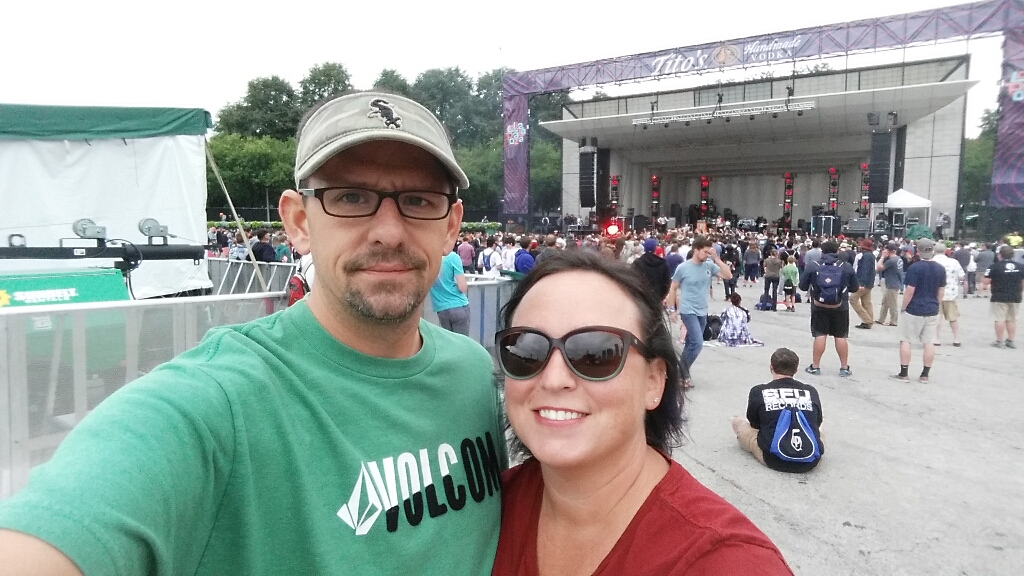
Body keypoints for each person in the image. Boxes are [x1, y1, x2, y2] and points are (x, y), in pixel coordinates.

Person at [0, 92, 505, 574]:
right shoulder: (214, 404)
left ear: (450, 226)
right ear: (299, 222)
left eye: (418, 200)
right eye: (351, 197)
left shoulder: (473, 372)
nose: (389, 231)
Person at [492, 251, 793, 575]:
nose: (553, 380)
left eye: (595, 354)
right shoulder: (483, 511)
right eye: (526, 350)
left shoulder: (729, 563)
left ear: (654, 381)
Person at [731, 348, 823, 473]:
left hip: (774, 459)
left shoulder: (758, 391)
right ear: (796, 370)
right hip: (811, 461)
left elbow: (754, 424)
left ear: (771, 367)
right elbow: (817, 422)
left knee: (738, 422)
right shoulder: (810, 391)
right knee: (819, 429)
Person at [667, 236, 734, 387]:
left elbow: (728, 275)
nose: (707, 255)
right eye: (705, 252)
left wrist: (716, 259)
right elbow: (673, 288)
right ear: (696, 250)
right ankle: (681, 374)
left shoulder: (709, 266)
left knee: (691, 343)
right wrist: (672, 309)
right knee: (697, 343)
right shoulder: (683, 268)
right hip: (687, 310)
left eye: (709, 252)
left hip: (702, 310)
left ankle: (679, 374)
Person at [798, 240, 859, 377]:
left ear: (822, 252)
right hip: (841, 306)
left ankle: (815, 366)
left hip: (818, 306)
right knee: (840, 336)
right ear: (837, 251)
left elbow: (802, 286)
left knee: (820, 334)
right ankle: (844, 367)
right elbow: (854, 288)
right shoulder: (846, 266)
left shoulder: (814, 266)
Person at [891, 239, 945, 383]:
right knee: (928, 342)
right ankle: (925, 375)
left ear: (918, 250)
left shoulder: (915, 268)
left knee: (906, 340)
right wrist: (937, 304)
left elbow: (910, 290)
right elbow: (940, 290)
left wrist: (904, 306)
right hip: (932, 308)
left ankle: (904, 373)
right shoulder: (940, 268)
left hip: (914, 308)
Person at [984, 245, 1024, 348]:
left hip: (999, 296)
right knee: (1011, 319)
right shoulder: (1021, 266)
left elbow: (986, 282)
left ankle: (1000, 341)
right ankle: (1010, 340)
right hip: (1015, 296)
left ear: (1000, 255)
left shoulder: (994, 266)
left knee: (999, 319)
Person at [431, 243, 471, 336]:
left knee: (449, 341)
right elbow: (462, 287)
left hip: (441, 308)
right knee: (462, 342)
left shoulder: (431, 258)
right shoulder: (452, 257)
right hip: (459, 306)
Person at [933, 247, 966, 346]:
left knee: (937, 317)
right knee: (953, 317)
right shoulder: (954, 262)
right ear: (945, 251)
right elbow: (961, 276)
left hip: (934, 293)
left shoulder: (932, 262)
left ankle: (936, 339)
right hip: (950, 293)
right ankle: (956, 339)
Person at [632, 237, 671, 302]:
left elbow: (633, 280)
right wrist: (661, 296)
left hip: (642, 297)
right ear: (655, 249)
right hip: (657, 297)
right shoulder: (663, 264)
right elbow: (667, 283)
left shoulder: (637, 263)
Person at [850, 238, 877, 329]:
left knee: (853, 299)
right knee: (866, 302)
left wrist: (861, 283)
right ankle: (869, 322)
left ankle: (867, 320)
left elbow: (864, 270)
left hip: (863, 283)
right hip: (869, 283)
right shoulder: (871, 256)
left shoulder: (865, 256)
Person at [875, 242, 904, 326]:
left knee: (892, 304)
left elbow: (879, 267)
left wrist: (882, 257)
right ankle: (881, 319)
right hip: (894, 282)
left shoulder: (891, 261)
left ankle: (893, 321)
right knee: (885, 303)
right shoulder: (898, 259)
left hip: (891, 284)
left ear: (888, 251)